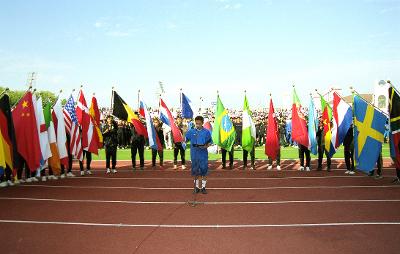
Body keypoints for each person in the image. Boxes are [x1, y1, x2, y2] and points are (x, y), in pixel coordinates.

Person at [185, 116, 212, 194]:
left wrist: (206, 146)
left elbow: (209, 142)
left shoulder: (206, 132)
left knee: (204, 171)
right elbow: (185, 140)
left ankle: (203, 187)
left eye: (199, 124)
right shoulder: (191, 131)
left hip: (203, 154)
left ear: (202, 123)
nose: (197, 125)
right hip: (194, 154)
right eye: (196, 123)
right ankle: (196, 187)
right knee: (195, 172)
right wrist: (184, 133)